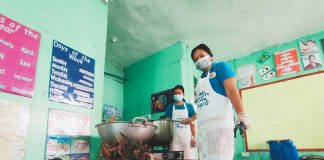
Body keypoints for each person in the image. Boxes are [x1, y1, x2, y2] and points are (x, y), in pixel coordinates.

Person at [190, 44, 251, 160]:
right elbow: (202, 107)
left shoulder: (220, 67)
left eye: (201, 56)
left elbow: (232, 91)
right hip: (203, 131)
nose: (199, 60)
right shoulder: (198, 82)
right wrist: (191, 119)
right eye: (196, 60)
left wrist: (241, 114)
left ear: (211, 56)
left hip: (219, 128)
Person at [165, 85, 197, 160]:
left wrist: (194, 137)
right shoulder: (170, 107)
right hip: (175, 141)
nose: (177, 95)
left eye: (179, 93)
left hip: (187, 141)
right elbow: (168, 125)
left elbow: (192, 123)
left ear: (183, 94)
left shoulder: (189, 106)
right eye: (175, 93)